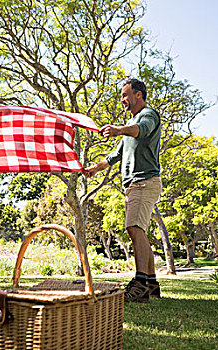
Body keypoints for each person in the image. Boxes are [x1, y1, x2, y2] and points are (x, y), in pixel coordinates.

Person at [84, 78, 162, 302]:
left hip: (143, 181)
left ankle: (140, 284)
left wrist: (118, 129)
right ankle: (151, 285)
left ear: (139, 95)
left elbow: (141, 130)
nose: (122, 100)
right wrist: (96, 168)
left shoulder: (147, 115)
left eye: (125, 95)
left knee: (134, 228)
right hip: (136, 183)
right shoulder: (131, 125)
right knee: (139, 231)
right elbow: (116, 154)